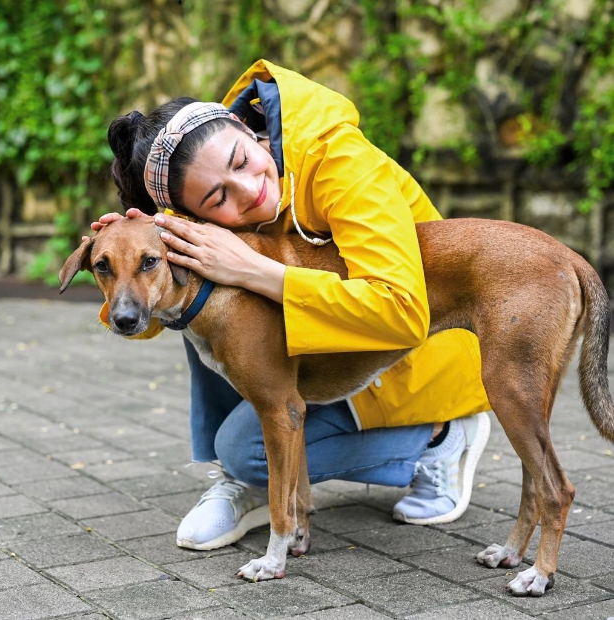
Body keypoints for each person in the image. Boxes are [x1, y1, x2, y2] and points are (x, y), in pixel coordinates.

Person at [93, 59, 491, 551]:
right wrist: (131, 250)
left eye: (241, 161)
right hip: (312, 353)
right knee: (204, 294)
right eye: (218, 198)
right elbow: (157, 308)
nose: (248, 188)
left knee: (249, 449)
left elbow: (403, 310)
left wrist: (256, 270)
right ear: (189, 211)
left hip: (409, 355)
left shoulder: (341, 162)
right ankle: (247, 482)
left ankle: (434, 440)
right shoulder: (197, 209)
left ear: (244, 126)